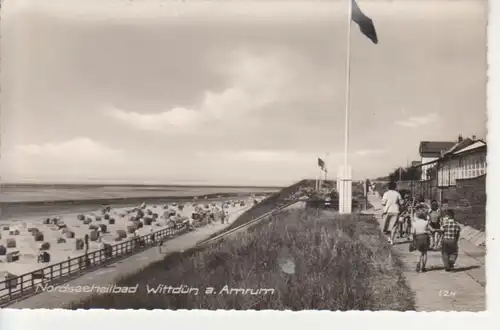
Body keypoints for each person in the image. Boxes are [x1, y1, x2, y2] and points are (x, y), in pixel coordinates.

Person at [412, 208, 431, 273]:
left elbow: (413, 232)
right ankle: (423, 267)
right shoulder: (426, 222)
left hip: (418, 237)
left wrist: (413, 239)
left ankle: (418, 262)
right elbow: (429, 229)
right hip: (425, 237)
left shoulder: (414, 223)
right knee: (425, 253)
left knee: (419, 252)